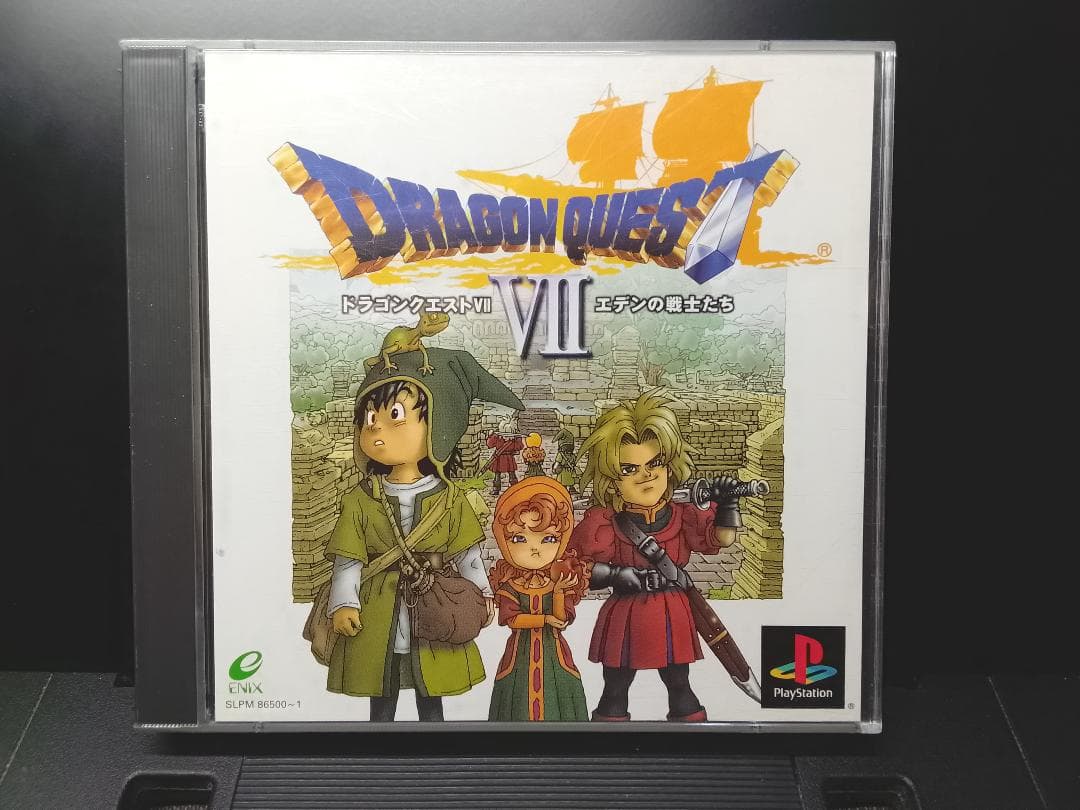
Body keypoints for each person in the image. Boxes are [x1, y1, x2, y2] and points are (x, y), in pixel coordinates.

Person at [322, 347, 524, 721]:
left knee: (431, 692)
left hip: (436, 602)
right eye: (370, 418)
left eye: (395, 416)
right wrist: (344, 602)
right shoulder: (360, 500)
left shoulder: (450, 499)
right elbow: (348, 559)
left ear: (437, 428)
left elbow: (467, 555)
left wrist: (481, 594)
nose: (376, 428)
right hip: (377, 609)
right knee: (381, 692)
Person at [568, 389, 743, 722]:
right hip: (626, 610)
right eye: (629, 469)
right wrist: (614, 575)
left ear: (669, 465)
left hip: (671, 609)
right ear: (611, 480)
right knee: (615, 688)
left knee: (680, 685)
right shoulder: (605, 522)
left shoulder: (684, 514)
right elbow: (576, 566)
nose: (645, 475)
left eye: (655, 463)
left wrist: (728, 504)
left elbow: (721, 539)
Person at [487, 478, 589, 721]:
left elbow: (561, 620)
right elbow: (512, 620)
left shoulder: (557, 583)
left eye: (549, 539)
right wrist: (544, 619)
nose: (535, 548)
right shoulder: (511, 586)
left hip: (555, 656)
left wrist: (558, 592)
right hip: (519, 657)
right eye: (520, 539)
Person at [486, 414, 523, 495]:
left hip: (502, 458)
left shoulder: (498, 438)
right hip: (504, 458)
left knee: (504, 474)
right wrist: (518, 439)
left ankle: (500, 489)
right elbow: (519, 446)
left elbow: (490, 444)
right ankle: (513, 489)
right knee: (504, 474)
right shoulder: (503, 438)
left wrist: (491, 436)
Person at [551, 427, 579, 494]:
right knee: (570, 481)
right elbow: (574, 462)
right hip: (570, 470)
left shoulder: (560, 454)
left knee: (563, 482)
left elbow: (557, 462)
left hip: (563, 471)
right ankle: (572, 489)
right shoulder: (572, 455)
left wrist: (554, 469)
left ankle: (564, 490)